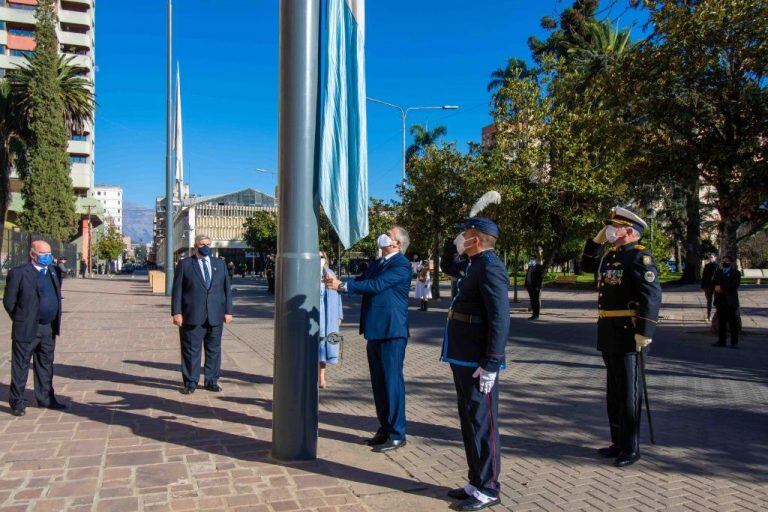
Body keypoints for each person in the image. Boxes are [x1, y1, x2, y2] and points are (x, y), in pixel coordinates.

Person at [581, 206, 662, 468]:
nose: (611, 231)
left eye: (615, 227)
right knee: (614, 392)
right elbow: (585, 266)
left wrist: (644, 332)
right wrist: (595, 242)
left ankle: (631, 447)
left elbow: (651, 295)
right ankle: (617, 441)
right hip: (609, 331)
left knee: (629, 392)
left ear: (630, 230)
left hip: (629, 333)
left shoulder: (640, 258)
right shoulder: (611, 256)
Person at [440, 217, 510, 512]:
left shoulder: (490, 266)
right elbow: (447, 265)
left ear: (477, 239)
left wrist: (492, 362)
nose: (460, 237)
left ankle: (489, 487)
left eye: (464, 234)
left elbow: (500, 317)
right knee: (470, 421)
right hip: (462, 353)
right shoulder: (472, 264)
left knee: (483, 422)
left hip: (478, 358)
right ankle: (475, 480)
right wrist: (450, 244)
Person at [324, 227, 412, 453]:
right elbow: (362, 280)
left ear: (398, 244)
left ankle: (397, 433)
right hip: (375, 330)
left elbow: (376, 285)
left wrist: (343, 286)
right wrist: (335, 278)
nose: (383, 236)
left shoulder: (401, 264)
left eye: (389, 235)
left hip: (392, 331)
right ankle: (384, 428)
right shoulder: (378, 263)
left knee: (392, 383)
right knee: (379, 383)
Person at [3, 241, 66, 416]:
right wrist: (21, 319)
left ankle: (45, 398)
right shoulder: (19, 273)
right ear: (32, 254)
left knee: (45, 364)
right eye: (43, 253)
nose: (48, 256)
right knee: (21, 366)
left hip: (48, 328)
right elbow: (9, 301)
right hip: (27, 328)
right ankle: (17, 401)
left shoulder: (53, 271)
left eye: (49, 253)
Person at [171, 234, 233, 394]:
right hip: (192, 315)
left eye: (208, 244)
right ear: (195, 246)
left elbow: (227, 289)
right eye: (202, 244)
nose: (205, 247)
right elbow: (177, 290)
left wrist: (228, 311)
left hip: (215, 315)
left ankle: (211, 381)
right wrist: (176, 312)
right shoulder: (185, 264)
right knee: (191, 350)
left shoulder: (219, 264)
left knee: (214, 349)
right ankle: (191, 382)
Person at [319, 251, 343, 388]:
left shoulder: (330, 274)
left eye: (321, 257)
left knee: (324, 345)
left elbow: (338, 296)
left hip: (328, 315)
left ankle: (321, 377)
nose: (319, 259)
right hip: (312, 315)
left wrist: (339, 315)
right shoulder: (307, 274)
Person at [712, 254, 741, 348]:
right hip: (720, 301)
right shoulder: (718, 272)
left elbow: (734, 285)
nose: (724, 263)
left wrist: (722, 288)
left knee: (732, 322)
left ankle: (734, 342)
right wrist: (716, 287)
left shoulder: (736, 273)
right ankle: (721, 341)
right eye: (723, 261)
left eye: (727, 261)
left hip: (730, 301)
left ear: (731, 263)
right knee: (721, 322)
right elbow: (714, 282)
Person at [701, 253, 718, 322]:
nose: (711, 258)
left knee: (717, 301)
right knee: (709, 301)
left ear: (715, 258)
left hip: (715, 286)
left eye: (712, 257)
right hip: (708, 286)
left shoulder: (717, 266)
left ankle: (717, 316)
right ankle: (709, 316)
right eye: (710, 257)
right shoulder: (707, 266)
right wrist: (702, 286)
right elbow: (704, 276)